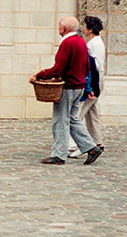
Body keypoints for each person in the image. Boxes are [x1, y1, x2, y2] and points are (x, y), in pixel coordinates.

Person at [31, 15, 103, 166]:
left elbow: (58, 69)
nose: (58, 27)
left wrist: (40, 74)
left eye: (59, 25)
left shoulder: (67, 43)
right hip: (79, 86)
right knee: (73, 119)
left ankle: (58, 155)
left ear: (63, 28)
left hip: (68, 87)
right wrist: (87, 87)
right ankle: (91, 147)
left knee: (60, 121)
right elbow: (87, 66)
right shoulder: (81, 42)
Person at [68, 15, 106, 156]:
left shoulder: (94, 44)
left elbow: (93, 65)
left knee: (78, 114)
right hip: (95, 77)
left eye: (85, 26)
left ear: (90, 29)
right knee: (92, 113)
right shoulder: (95, 42)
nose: (82, 29)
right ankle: (98, 142)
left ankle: (83, 145)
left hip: (94, 78)